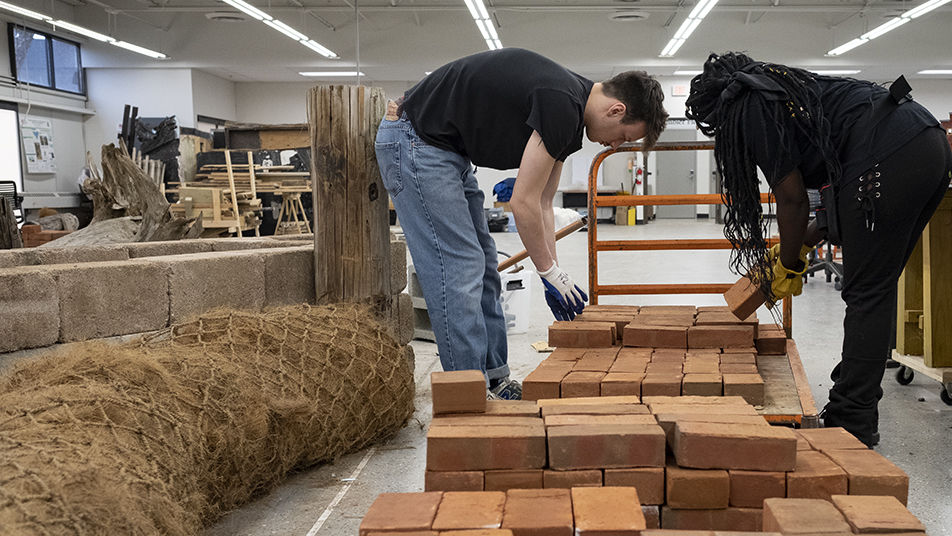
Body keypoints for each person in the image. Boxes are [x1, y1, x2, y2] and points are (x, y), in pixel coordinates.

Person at [685, 52, 952, 446]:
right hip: (926, 140)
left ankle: (853, 420)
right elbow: (834, 192)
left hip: (888, 154)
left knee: (866, 293)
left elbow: (792, 200)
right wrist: (802, 243)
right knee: (878, 282)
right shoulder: (784, 91)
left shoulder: (752, 107)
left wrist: (788, 264)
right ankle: (854, 383)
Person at [375, 48, 668, 399]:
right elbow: (522, 202)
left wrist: (555, 275)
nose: (615, 144)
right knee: (457, 268)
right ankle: (466, 391)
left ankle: (495, 378)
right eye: (623, 136)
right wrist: (546, 271)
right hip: (415, 139)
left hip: (447, 150)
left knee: (484, 265)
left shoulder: (573, 114)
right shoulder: (562, 103)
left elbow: (544, 202)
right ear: (616, 110)